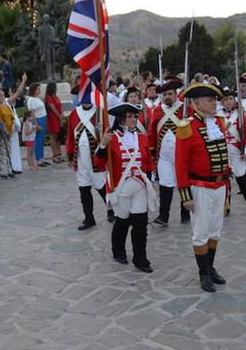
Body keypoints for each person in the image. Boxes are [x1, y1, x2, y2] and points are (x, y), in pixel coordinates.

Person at [175, 83, 229, 293]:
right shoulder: (186, 126)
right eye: (210, 100)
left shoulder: (220, 123)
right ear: (197, 104)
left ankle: (211, 267)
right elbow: (180, 165)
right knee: (201, 232)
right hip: (199, 187)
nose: (214, 103)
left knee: (215, 230)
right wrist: (185, 196)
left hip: (219, 184)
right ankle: (203, 274)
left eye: (215, 100)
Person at [95, 103, 157, 273]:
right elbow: (99, 163)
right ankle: (119, 251)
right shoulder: (111, 138)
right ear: (121, 119)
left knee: (140, 223)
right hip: (120, 187)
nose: (133, 119)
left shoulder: (142, 138)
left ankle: (140, 258)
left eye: (135, 116)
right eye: (130, 116)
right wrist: (102, 145)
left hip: (139, 187)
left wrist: (149, 182)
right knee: (122, 221)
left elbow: (148, 164)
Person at [147, 79, 191, 226]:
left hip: (182, 156)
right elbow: (152, 133)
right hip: (163, 157)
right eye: (165, 94)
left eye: (170, 94)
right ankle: (163, 216)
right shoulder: (158, 110)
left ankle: (185, 213)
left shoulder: (186, 109)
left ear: (176, 94)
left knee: (183, 184)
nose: (167, 97)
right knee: (165, 186)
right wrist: (152, 152)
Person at [66, 102, 114, 230]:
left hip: (97, 160)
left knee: (103, 188)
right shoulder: (74, 113)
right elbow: (71, 135)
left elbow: (107, 133)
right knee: (84, 190)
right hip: (81, 161)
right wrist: (70, 156)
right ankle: (89, 218)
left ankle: (111, 211)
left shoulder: (100, 112)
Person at [220, 87, 246, 214]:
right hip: (222, 150)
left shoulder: (240, 114)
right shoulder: (218, 115)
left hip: (236, 149)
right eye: (225, 100)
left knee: (242, 178)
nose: (228, 102)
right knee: (224, 180)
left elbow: (245, 133)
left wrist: (245, 151)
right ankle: (226, 206)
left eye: (230, 99)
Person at [4, 73, 27, 174]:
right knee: (12, 149)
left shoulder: (10, 103)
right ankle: (13, 166)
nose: (11, 93)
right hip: (10, 129)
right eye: (9, 91)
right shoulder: (6, 101)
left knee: (15, 148)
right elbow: (18, 92)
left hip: (14, 129)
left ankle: (16, 166)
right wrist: (23, 81)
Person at [0, 90, 16, 179]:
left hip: (10, 131)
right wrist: (4, 132)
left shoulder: (6, 106)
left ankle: (9, 169)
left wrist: (11, 129)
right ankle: (3, 171)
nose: (1, 98)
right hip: (2, 132)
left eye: (2, 96)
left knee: (8, 151)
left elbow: (12, 117)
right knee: (3, 152)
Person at [26, 83, 49, 166]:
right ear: (34, 90)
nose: (39, 90)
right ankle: (38, 159)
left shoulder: (37, 98)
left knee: (42, 139)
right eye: (38, 89)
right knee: (38, 140)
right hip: (38, 119)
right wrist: (36, 124)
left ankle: (42, 158)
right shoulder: (31, 99)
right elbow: (32, 113)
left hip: (43, 118)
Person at [45, 82, 63, 163]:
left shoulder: (55, 96)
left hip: (58, 118)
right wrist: (59, 117)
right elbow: (53, 108)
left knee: (59, 137)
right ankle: (54, 155)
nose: (56, 89)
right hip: (53, 118)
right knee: (54, 136)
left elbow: (60, 105)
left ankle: (59, 153)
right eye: (55, 87)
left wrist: (61, 114)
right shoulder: (48, 97)